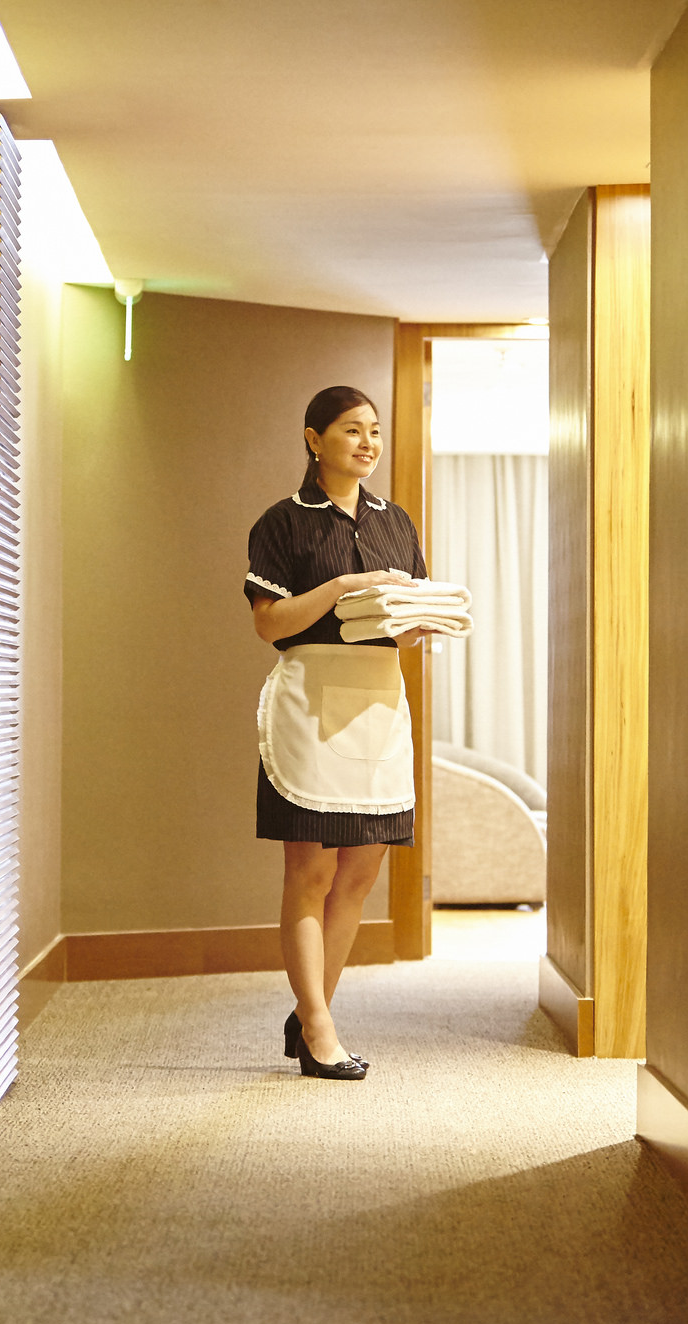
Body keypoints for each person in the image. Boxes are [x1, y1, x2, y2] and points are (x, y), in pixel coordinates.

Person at [244, 386, 433, 1080]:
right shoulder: (283, 523)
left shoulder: (397, 522)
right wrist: (341, 588)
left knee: (359, 871)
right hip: (308, 697)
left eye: (375, 431)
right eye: (351, 430)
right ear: (312, 438)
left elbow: (404, 626)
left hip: (379, 700)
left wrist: (423, 621)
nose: (367, 443)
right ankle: (319, 1025)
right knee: (312, 868)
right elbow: (269, 623)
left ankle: (310, 1005)